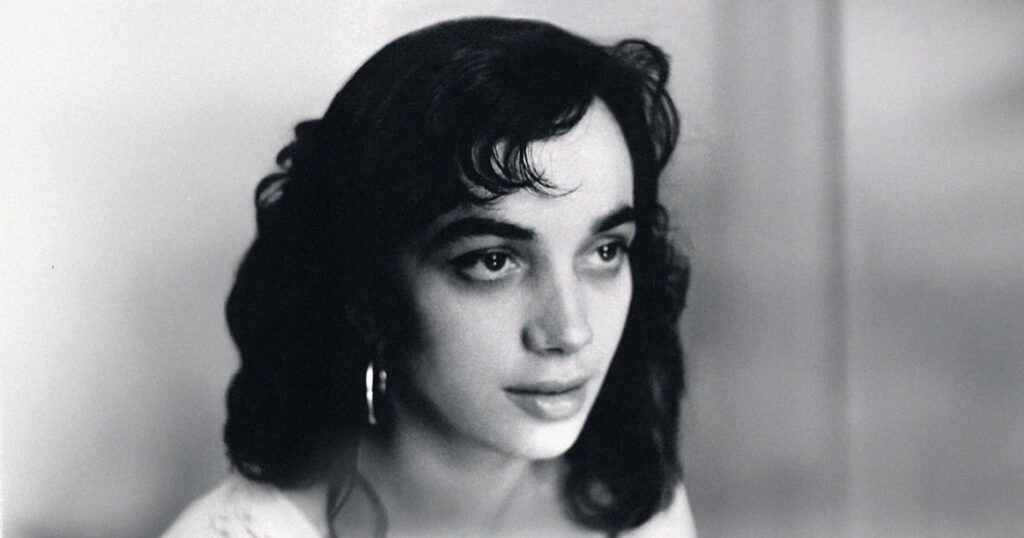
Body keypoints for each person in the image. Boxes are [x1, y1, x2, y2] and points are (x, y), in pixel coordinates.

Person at [164, 16, 693, 537]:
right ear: (366, 289)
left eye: (605, 251)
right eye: (493, 261)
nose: (571, 331)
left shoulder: (635, 501)